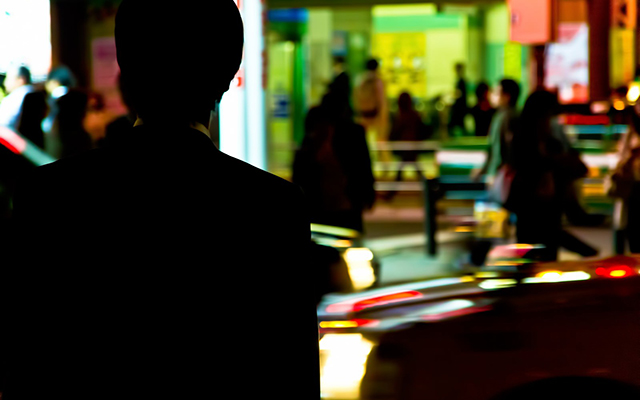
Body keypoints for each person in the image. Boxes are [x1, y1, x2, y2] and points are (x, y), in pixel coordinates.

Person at [2, 2, 320, 400]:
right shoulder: (274, 207)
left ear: (125, 69)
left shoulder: (48, 196)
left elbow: (27, 364)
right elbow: (292, 373)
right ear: (226, 77)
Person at [509, 91, 594, 261]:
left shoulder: (550, 143)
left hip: (545, 210)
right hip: (532, 211)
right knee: (534, 254)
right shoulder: (524, 143)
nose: (549, 121)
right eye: (548, 115)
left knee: (542, 254)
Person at [293, 88, 376, 233]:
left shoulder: (317, 135)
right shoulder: (351, 134)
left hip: (328, 205)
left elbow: (301, 171)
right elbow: (363, 167)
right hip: (338, 205)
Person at [475, 79, 521, 183]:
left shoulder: (505, 117)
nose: (491, 95)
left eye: (496, 93)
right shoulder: (507, 115)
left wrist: (493, 172)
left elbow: (500, 148)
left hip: (501, 175)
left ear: (506, 96)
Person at [386, 92, 429, 200]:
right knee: (414, 171)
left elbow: (395, 131)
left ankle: (391, 194)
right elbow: (421, 129)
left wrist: (391, 141)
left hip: (405, 147)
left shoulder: (401, 116)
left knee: (401, 172)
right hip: (412, 146)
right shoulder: (414, 115)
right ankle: (428, 191)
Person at [354, 58, 390, 165]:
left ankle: (362, 164)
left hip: (363, 115)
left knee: (362, 143)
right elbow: (381, 100)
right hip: (376, 115)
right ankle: (385, 167)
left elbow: (356, 98)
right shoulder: (378, 81)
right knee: (381, 142)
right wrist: (383, 117)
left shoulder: (360, 80)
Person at [0, 65, 34, 132]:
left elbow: (3, 124)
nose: (5, 83)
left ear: (21, 79)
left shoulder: (14, 98)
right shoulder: (36, 93)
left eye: (8, 79)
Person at [449, 62, 468, 137]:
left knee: (456, 123)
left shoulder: (461, 81)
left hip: (459, 107)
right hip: (460, 106)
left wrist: (452, 95)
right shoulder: (460, 80)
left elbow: (459, 93)